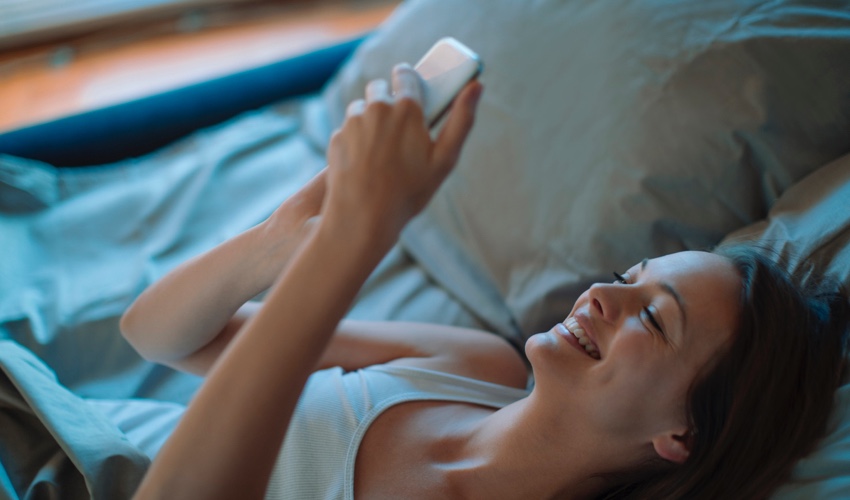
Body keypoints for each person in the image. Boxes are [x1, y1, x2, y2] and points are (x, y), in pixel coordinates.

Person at [120, 64, 849, 500]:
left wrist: (349, 247)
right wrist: (272, 247)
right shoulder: (472, 367)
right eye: (631, 279)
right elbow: (154, 335)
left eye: (654, 320)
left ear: (681, 435)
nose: (603, 296)